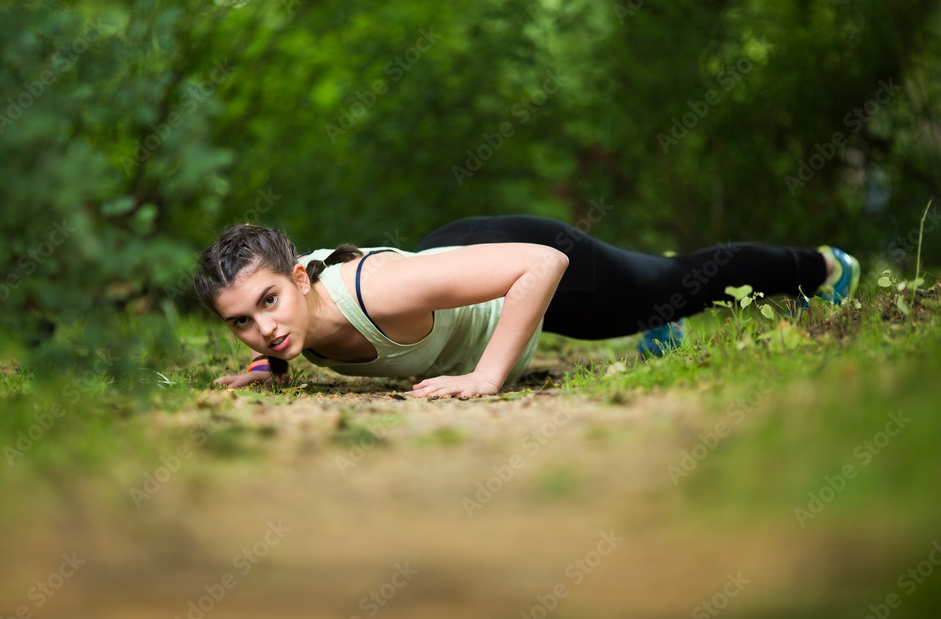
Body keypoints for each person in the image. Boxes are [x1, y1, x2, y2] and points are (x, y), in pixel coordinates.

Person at [192, 215, 860, 397]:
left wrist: (486, 376)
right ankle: (658, 314)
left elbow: (541, 265)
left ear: (300, 284)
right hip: (454, 269)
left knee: (663, 283)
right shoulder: (288, 312)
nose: (264, 328)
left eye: (270, 302)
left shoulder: (377, 290)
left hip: (528, 265)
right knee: (648, 296)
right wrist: (265, 369)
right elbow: (284, 314)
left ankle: (823, 265)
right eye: (242, 321)